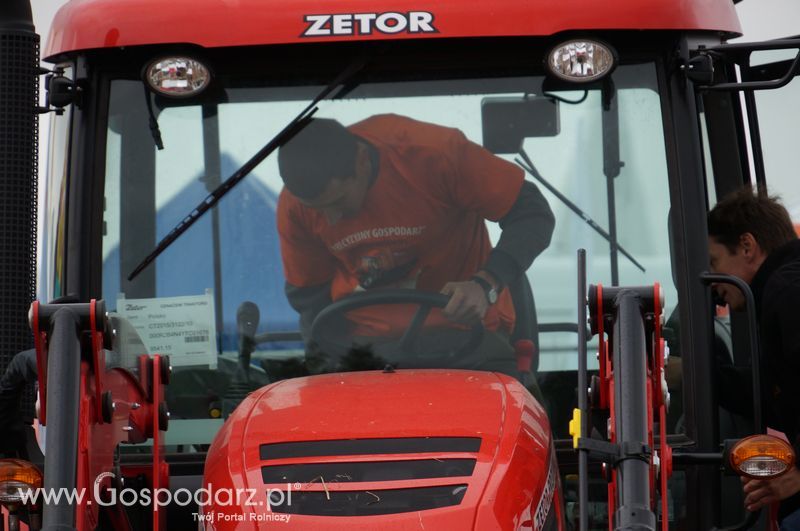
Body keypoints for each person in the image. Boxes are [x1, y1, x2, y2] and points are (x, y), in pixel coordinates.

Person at [276, 113, 554, 376]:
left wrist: (485, 284)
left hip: (467, 336)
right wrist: (333, 362)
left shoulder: (435, 154)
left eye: (338, 202)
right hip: (364, 351)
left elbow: (532, 213)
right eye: (318, 209)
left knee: (516, 410)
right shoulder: (294, 208)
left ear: (362, 161)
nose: (331, 219)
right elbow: (309, 296)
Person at [707, 186, 800, 526]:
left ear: (747, 246)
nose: (714, 283)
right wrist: (698, 375)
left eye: (715, 262)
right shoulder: (782, 287)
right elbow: (766, 387)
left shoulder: (788, 291)